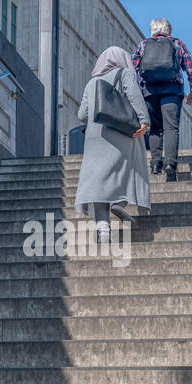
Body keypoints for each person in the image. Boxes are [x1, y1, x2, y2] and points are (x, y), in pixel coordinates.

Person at [75, 46, 150, 242]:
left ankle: (103, 230)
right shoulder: (125, 73)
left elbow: (82, 114)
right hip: (120, 133)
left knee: (99, 181)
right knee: (124, 169)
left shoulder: (92, 83)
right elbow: (134, 96)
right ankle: (120, 201)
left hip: (95, 138)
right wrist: (144, 120)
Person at [132, 18, 192, 180]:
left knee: (155, 128)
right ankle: (170, 163)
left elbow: (132, 67)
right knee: (171, 128)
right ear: (168, 30)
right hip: (172, 89)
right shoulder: (177, 44)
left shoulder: (143, 44)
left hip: (149, 90)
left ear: (152, 30)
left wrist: (137, 89)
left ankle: (155, 163)